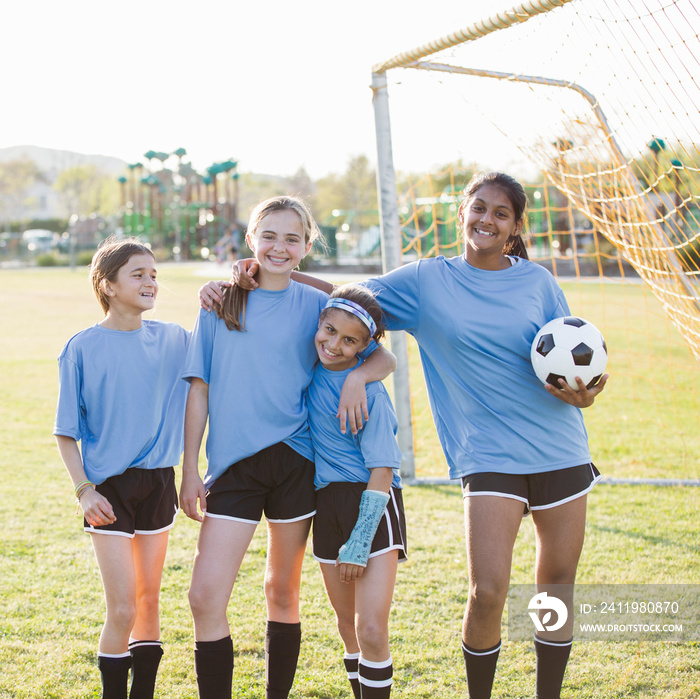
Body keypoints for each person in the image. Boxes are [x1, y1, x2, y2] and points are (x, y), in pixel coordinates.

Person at [202, 171, 609, 699]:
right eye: (479, 208)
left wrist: (587, 393)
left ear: (514, 228)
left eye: (501, 213)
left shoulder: (537, 282)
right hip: (486, 454)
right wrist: (255, 272)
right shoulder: (426, 281)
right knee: (488, 591)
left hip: (559, 447)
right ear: (462, 213)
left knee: (556, 587)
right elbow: (348, 301)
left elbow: (572, 354)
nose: (487, 219)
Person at [180, 196, 396, 699]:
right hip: (233, 466)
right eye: (269, 236)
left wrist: (356, 378)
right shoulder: (220, 303)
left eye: (292, 238)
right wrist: (189, 469)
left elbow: (380, 350)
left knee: (282, 590)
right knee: (204, 596)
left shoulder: (319, 308)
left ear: (306, 246)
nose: (279, 246)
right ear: (250, 238)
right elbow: (199, 389)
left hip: (298, 463)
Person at [53, 237, 190, 699]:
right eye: (138, 274)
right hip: (106, 489)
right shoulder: (81, 348)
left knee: (149, 602)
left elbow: (226, 345)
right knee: (123, 608)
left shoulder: (174, 339)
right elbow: (65, 432)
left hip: (158, 483)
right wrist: (84, 491)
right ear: (107, 285)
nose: (151, 281)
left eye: (154, 274)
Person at [308, 285, 406, 699]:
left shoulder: (370, 392)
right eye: (328, 331)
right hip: (326, 503)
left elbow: (382, 469)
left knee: (370, 628)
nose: (333, 345)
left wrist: (361, 538)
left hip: (373, 501)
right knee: (347, 626)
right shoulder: (309, 369)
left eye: (349, 341)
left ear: (365, 349)